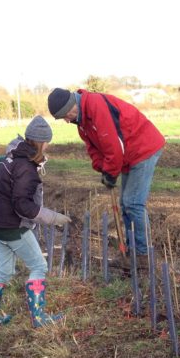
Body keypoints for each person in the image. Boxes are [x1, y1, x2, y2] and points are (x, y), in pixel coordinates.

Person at [48, 87, 164, 256]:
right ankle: (131, 249)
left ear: (71, 105)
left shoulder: (96, 107)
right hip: (129, 155)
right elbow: (93, 148)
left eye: (65, 115)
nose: (66, 121)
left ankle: (143, 253)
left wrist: (110, 172)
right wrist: (102, 168)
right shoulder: (81, 121)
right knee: (126, 204)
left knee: (133, 203)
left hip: (143, 148)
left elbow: (114, 146)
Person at [0, 116, 70, 329]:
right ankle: (39, 320)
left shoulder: (12, 158)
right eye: (47, 142)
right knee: (39, 266)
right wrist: (53, 217)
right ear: (40, 142)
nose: (48, 145)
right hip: (13, 227)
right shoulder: (26, 168)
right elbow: (22, 206)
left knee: (5, 271)